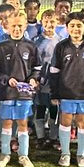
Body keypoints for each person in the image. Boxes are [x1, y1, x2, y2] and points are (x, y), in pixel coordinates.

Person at [49, 12, 84, 167]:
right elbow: (54, 71)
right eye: (72, 25)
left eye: (79, 26)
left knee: (83, 122)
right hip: (66, 92)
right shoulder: (61, 47)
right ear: (67, 28)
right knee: (65, 121)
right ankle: (65, 154)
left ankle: (81, 155)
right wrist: (54, 93)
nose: (76, 29)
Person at [0, 10, 38, 167]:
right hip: (7, 93)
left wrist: (33, 79)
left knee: (23, 123)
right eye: (13, 26)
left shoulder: (31, 46)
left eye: (20, 26)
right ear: (7, 26)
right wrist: (6, 79)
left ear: (25, 26)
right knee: (7, 123)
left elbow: (37, 69)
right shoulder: (1, 47)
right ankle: (5, 154)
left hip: (24, 95)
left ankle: (23, 155)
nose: (16, 29)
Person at [32, 9, 60, 150]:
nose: (49, 24)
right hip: (41, 82)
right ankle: (40, 137)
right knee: (40, 108)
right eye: (46, 21)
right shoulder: (36, 41)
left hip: (55, 83)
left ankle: (54, 138)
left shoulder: (61, 41)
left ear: (58, 22)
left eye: (52, 22)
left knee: (54, 110)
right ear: (41, 22)